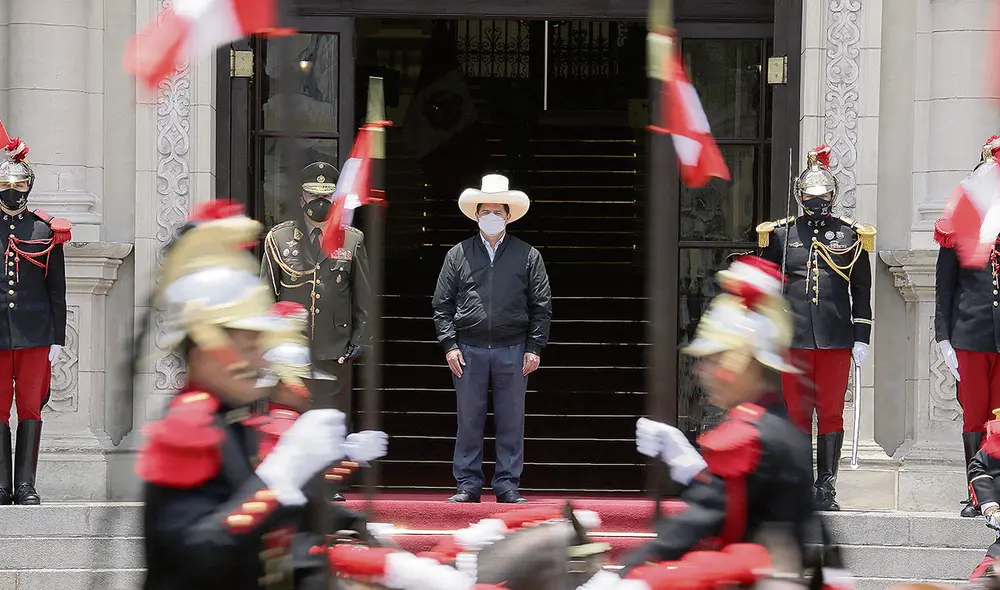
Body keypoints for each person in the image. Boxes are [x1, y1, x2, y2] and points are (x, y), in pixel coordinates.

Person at [135, 201, 386, 589]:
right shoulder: (187, 429)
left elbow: (289, 531)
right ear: (206, 347)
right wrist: (277, 480)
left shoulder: (235, 421)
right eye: (249, 343)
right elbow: (194, 556)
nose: (259, 358)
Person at [579, 255, 816, 586]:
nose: (702, 372)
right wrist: (695, 470)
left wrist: (627, 577)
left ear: (745, 363)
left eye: (713, 359)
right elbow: (736, 500)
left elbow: (696, 523)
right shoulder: (781, 428)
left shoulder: (747, 436)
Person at [757, 144, 876, 511]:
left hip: (835, 340)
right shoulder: (779, 235)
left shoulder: (851, 236)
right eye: (810, 195)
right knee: (796, 413)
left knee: (830, 413)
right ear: (799, 196)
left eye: (822, 194)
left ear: (832, 196)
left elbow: (861, 292)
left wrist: (862, 338)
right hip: (792, 341)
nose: (816, 201)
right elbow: (764, 286)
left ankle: (825, 488)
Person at [432, 174, 552, 504]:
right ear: (476, 214)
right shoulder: (458, 255)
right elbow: (441, 303)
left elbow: (541, 305)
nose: (492, 217)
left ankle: (507, 484)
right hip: (468, 350)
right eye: (486, 211)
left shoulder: (528, 256)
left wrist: (535, 346)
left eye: (498, 211)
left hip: (513, 349)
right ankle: (468, 484)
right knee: (468, 419)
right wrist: (449, 344)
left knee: (511, 420)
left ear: (509, 215)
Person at [260, 161, 371, 420]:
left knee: (329, 425)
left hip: (333, 351)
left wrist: (359, 338)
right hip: (289, 354)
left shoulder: (352, 239)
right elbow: (266, 296)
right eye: (313, 195)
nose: (320, 201)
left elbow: (362, 296)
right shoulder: (280, 239)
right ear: (302, 197)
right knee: (288, 424)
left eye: (326, 196)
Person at [0, 134, 71, 506]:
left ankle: (25, 485)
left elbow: (56, 290)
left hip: (36, 333)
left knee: (29, 408)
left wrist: (57, 337)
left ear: (29, 186)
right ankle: (0, 484)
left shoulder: (45, 229)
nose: (13, 190)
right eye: (6, 184)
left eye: (19, 183)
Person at [935, 135, 1000, 518]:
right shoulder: (959, 225)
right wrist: (944, 337)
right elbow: (945, 288)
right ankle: (978, 495)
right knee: (975, 417)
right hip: (970, 334)